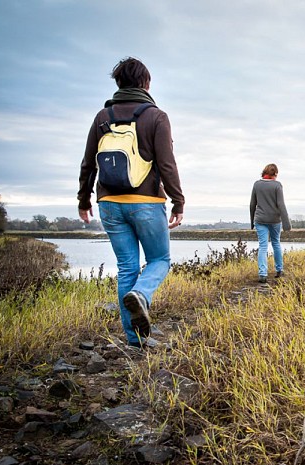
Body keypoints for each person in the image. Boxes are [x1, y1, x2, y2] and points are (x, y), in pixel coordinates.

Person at [77, 57, 185, 349]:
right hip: (146, 201)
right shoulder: (156, 116)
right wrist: (178, 201)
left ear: (118, 83)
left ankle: (135, 339)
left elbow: (88, 163)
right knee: (160, 260)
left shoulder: (102, 116)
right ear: (146, 83)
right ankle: (142, 295)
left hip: (109, 202)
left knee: (126, 267)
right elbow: (167, 164)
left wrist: (84, 199)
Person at [250, 163, 291, 283]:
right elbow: (281, 204)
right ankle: (279, 270)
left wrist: (252, 221)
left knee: (263, 246)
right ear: (275, 174)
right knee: (276, 243)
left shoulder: (257, 184)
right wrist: (286, 223)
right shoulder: (277, 185)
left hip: (260, 220)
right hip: (275, 220)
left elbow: (252, 204)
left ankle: (262, 274)